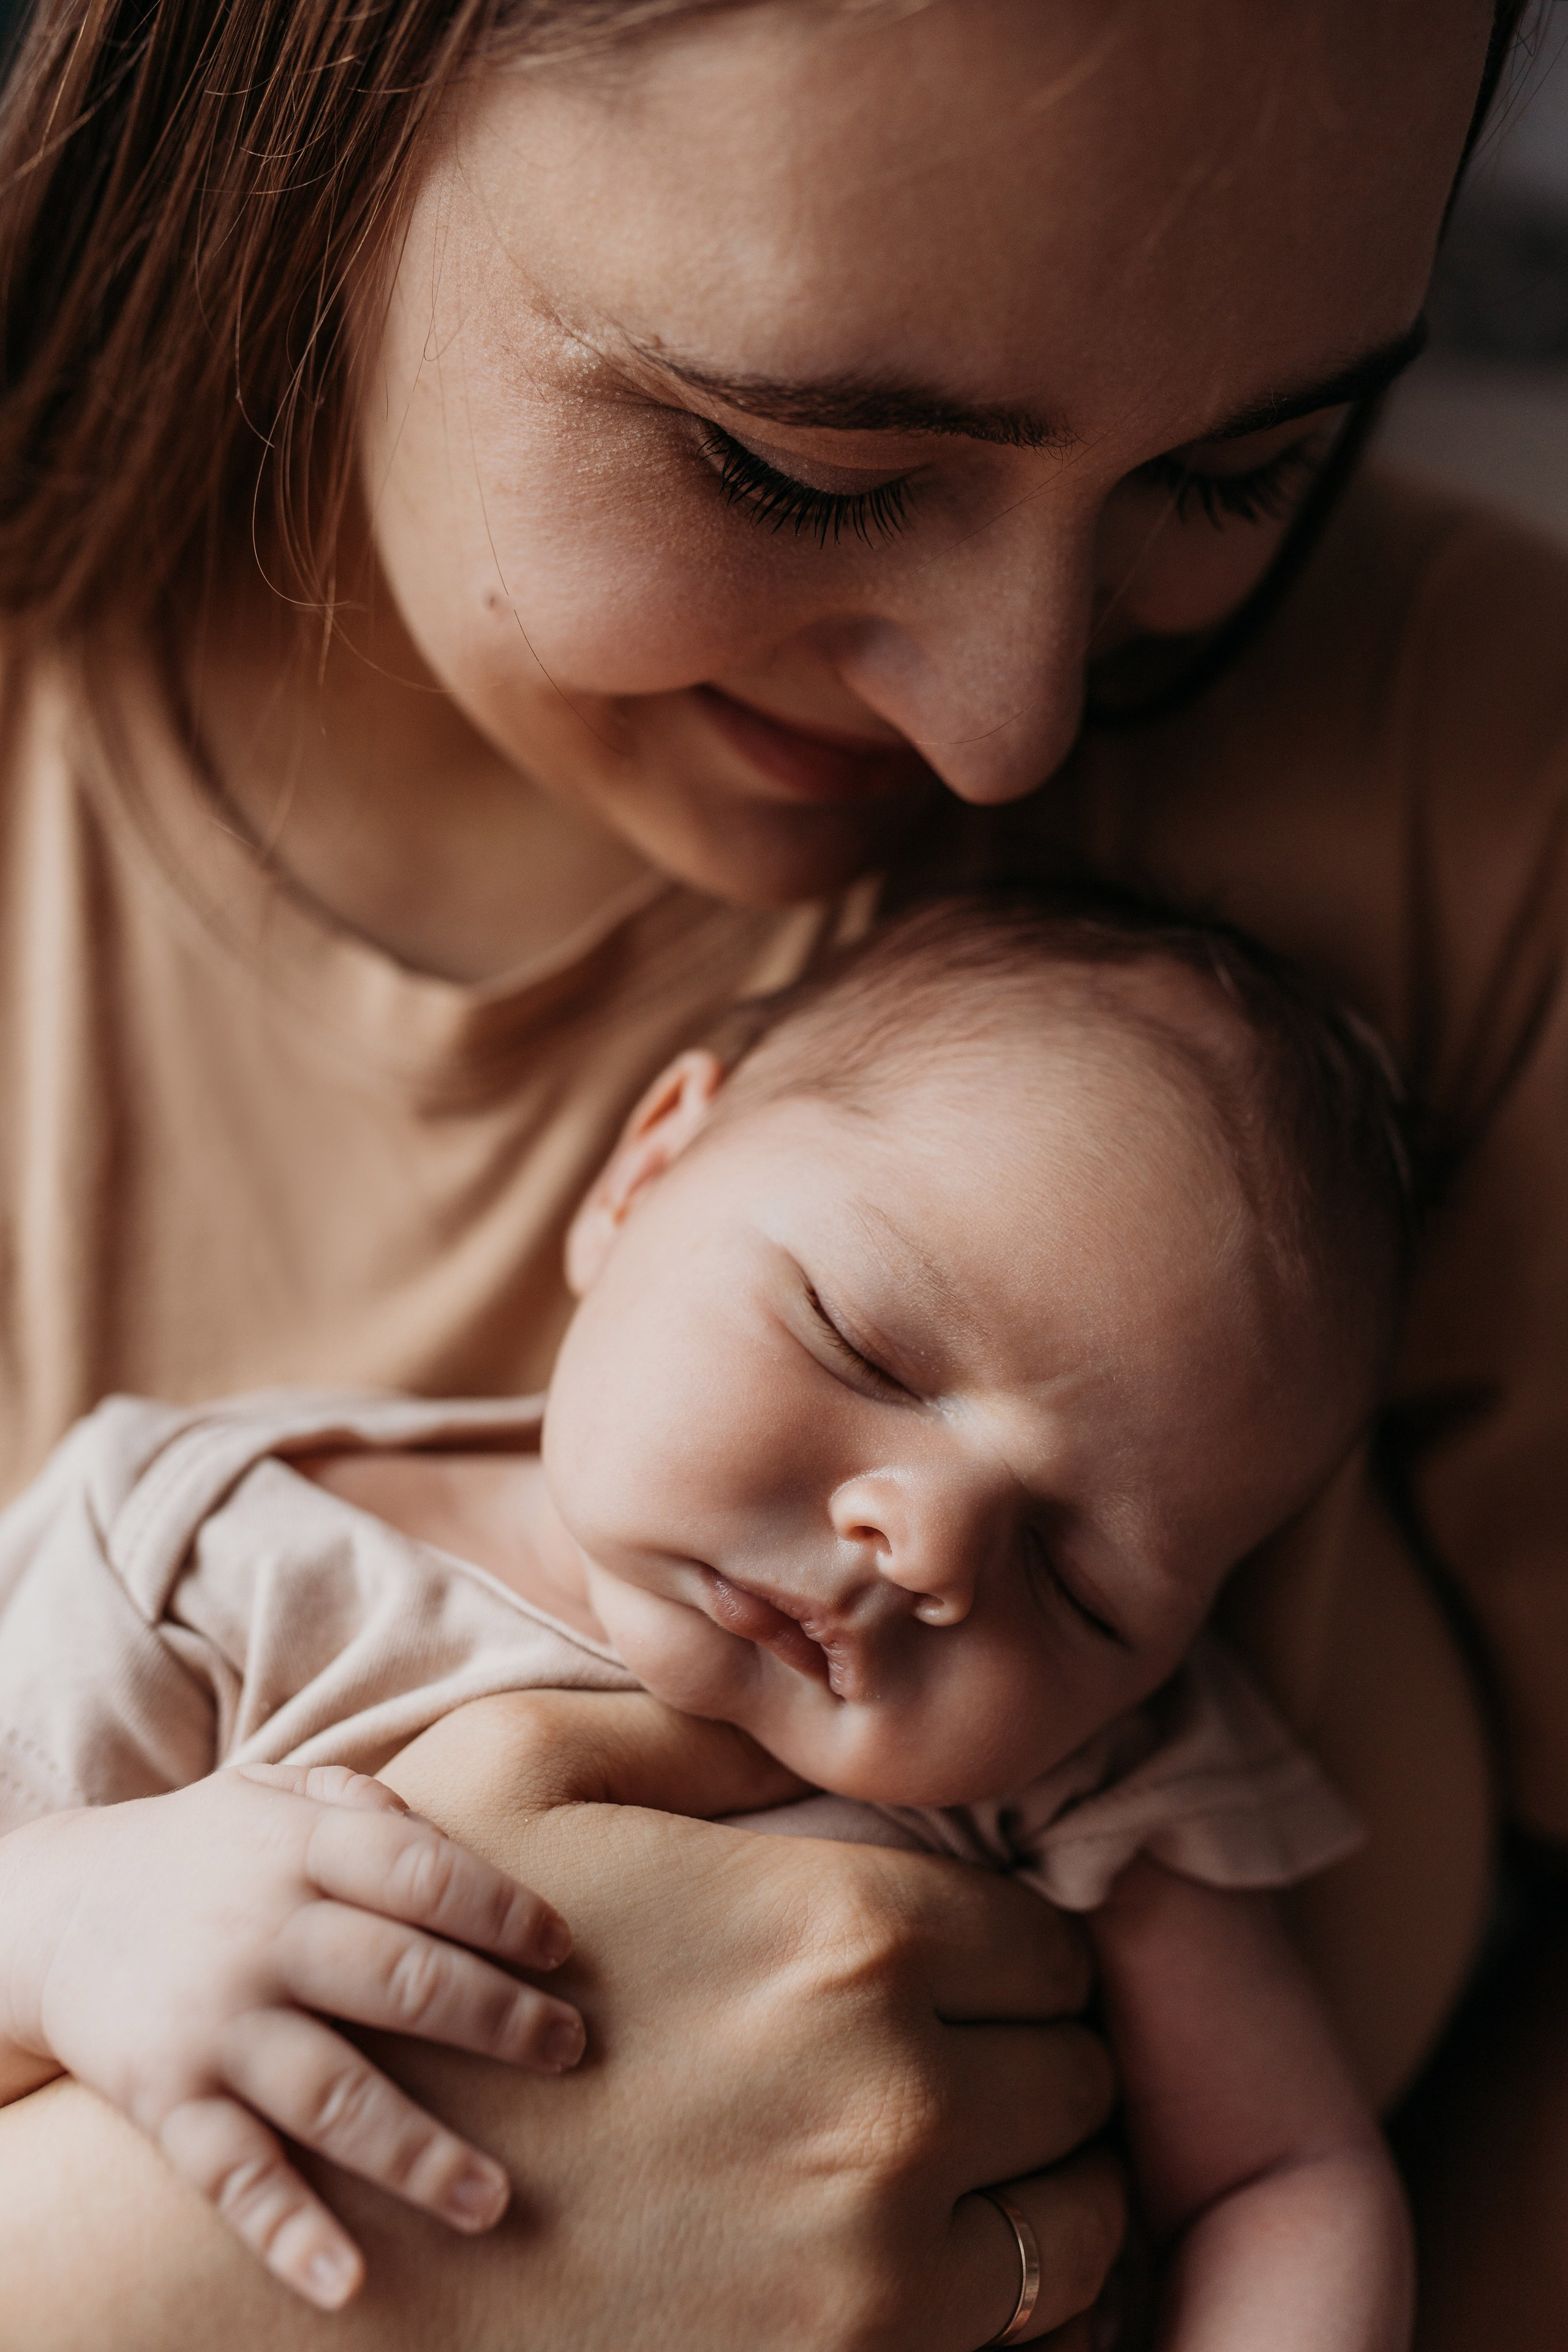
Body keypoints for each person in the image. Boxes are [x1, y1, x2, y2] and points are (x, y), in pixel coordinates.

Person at [0, 0, 1561, 2345]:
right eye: (797, 469)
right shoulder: (209, 1542)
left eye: (1241, 471)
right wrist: (159, 2275)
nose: (1011, 723)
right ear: (303, 97)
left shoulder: (1481, 785)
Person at [0, 896, 1414, 2352]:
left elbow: (1280, 2181)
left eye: (1078, 1582)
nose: (924, 1543)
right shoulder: (212, 1548)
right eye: (864, 1345)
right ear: (645, 1165)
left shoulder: (1086, 1762)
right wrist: (73, 1922)